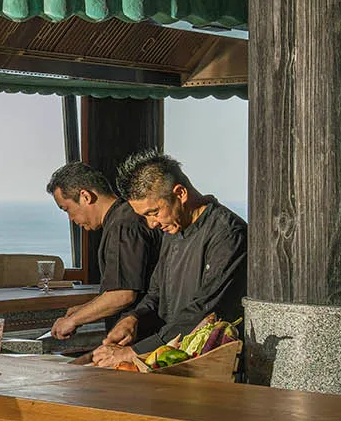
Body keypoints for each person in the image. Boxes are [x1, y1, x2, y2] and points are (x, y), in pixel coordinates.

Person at [92, 149, 246, 367]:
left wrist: (133, 352)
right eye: (145, 216)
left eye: (153, 212)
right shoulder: (173, 229)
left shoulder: (228, 234)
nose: (152, 224)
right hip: (168, 360)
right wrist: (133, 318)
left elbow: (204, 310)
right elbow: (156, 293)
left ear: (180, 193)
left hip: (209, 365)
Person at [43, 161, 159, 340]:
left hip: (141, 338)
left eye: (67, 209)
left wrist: (73, 320)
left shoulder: (123, 225)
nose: (71, 219)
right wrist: (84, 309)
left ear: (85, 197)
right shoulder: (123, 218)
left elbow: (123, 294)